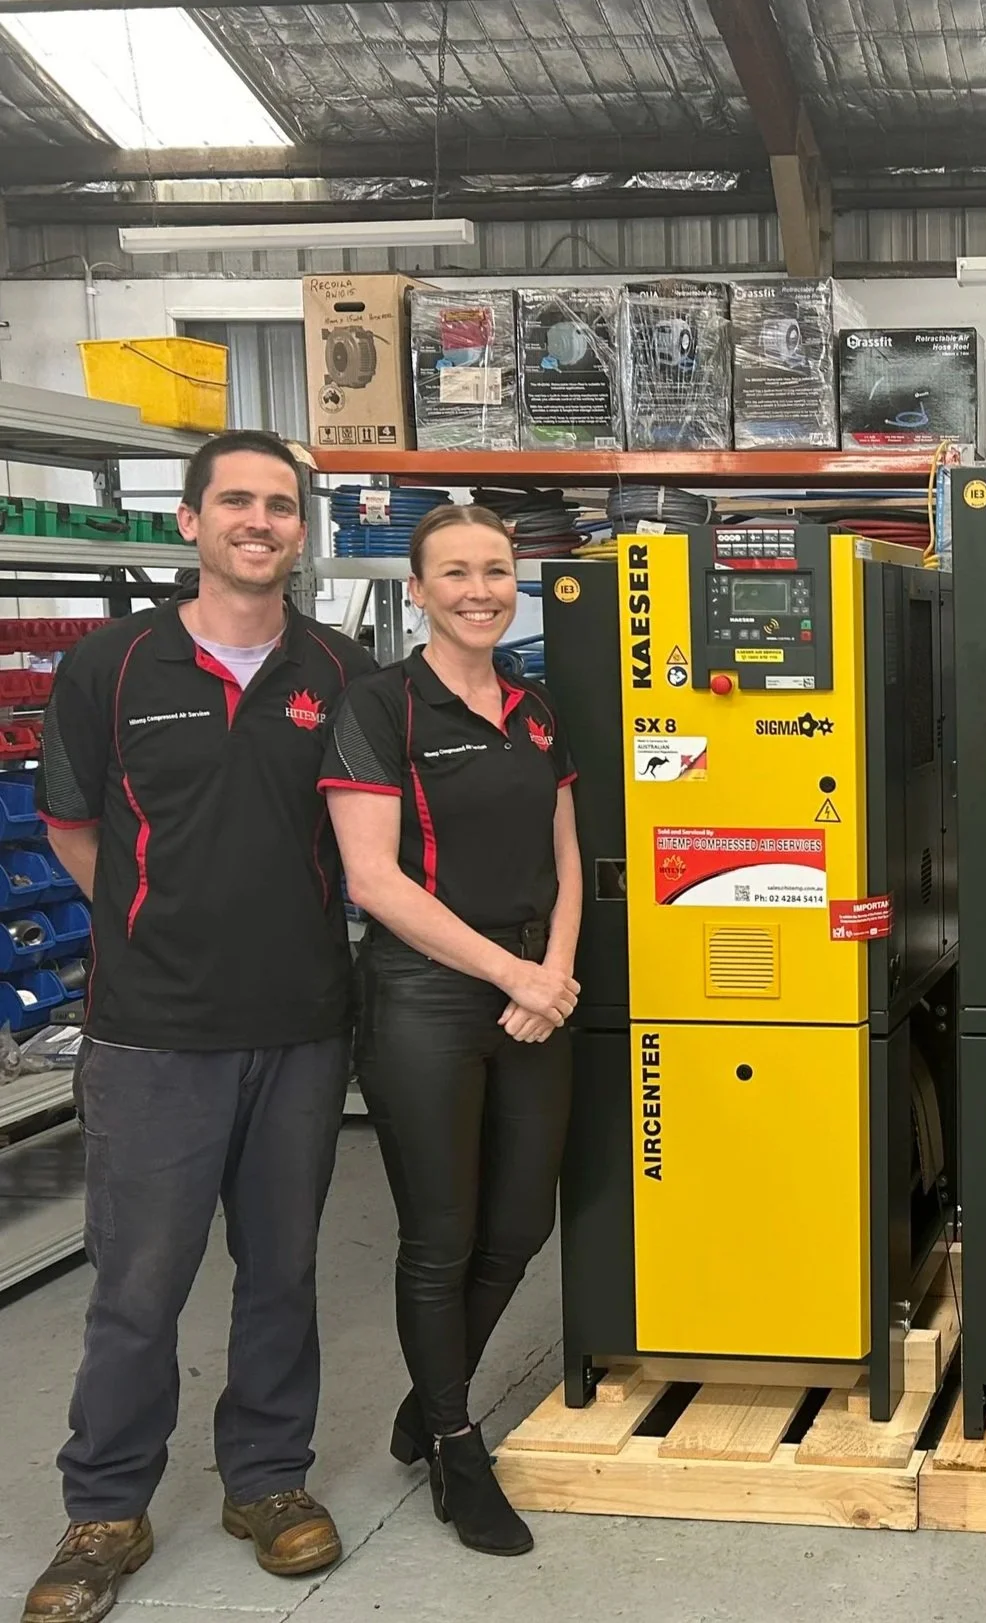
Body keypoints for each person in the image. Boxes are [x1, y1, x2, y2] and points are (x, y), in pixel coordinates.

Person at [22, 431, 376, 1623]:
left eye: (280, 505)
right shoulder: (112, 665)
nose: (259, 521)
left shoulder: (341, 669)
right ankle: (106, 1506)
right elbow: (74, 827)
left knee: (281, 1269)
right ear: (189, 521)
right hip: (153, 1033)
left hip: (300, 1022)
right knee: (139, 1283)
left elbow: (365, 838)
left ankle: (267, 1480)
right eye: (236, 501)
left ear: (300, 530)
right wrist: (153, 927)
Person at [320, 502, 581, 1557]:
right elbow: (374, 879)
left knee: (520, 1227)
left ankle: (424, 1405)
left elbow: (567, 855)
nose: (481, 590)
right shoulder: (380, 706)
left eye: (496, 570)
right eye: (457, 573)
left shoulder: (534, 706)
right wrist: (514, 972)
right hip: (424, 996)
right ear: (419, 589)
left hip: (533, 991)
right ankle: (455, 1442)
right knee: (441, 1238)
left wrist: (552, 973)